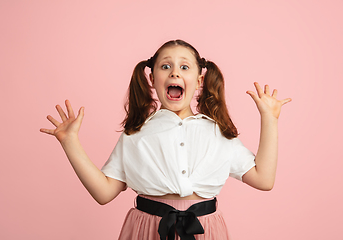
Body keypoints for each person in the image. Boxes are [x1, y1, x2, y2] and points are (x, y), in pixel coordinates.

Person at [40, 39, 291, 240]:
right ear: (152, 79)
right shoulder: (136, 134)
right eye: (165, 66)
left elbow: (263, 179)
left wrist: (270, 119)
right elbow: (104, 192)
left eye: (184, 67)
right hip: (146, 230)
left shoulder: (217, 132)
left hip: (206, 231)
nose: (174, 72)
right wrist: (70, 141)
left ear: (199, 80)